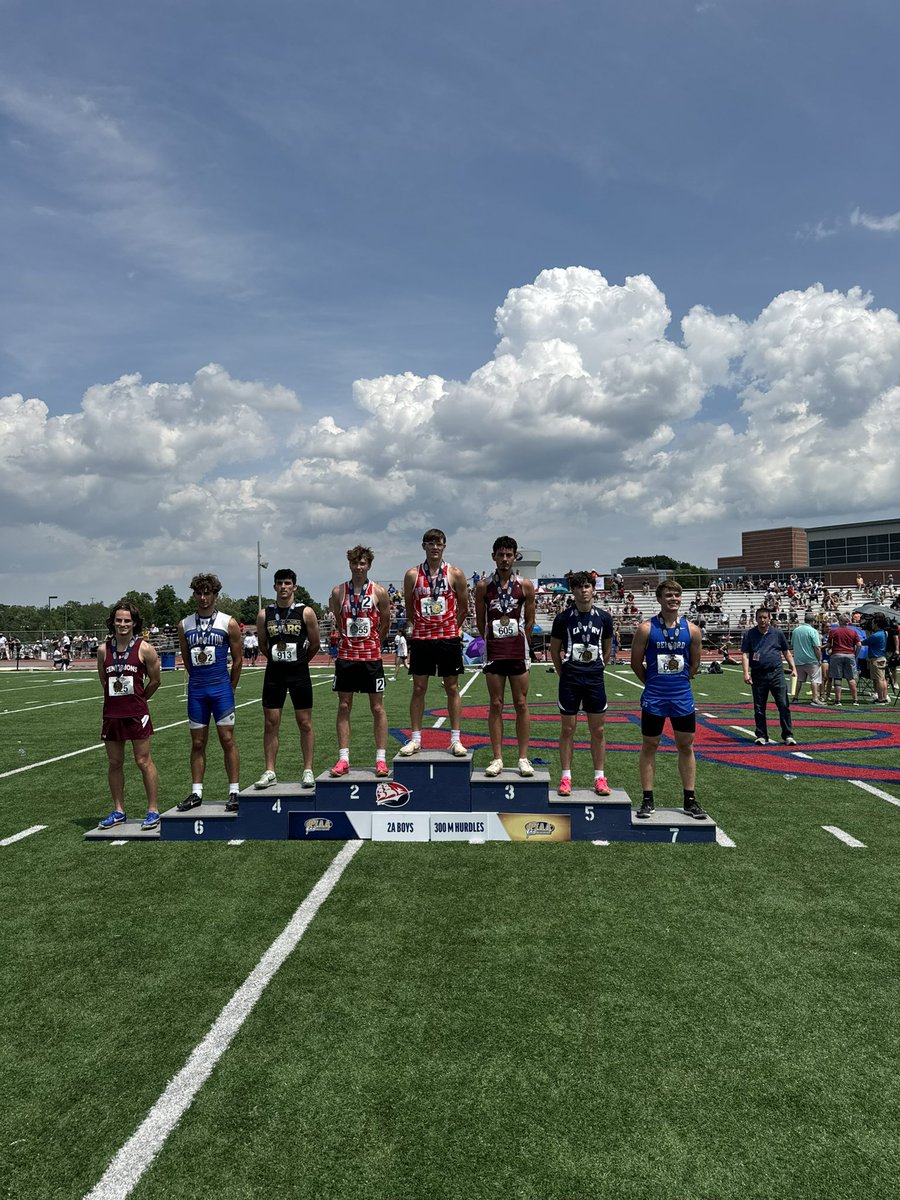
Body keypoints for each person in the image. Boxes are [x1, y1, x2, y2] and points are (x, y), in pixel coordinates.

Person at [630, 581, 706, 819]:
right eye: (669, 595)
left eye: (677, 595)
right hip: (654, 697)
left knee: (686, 746)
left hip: (682, 696)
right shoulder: (646, 628)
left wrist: (682, 679)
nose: (673, 599)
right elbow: (635, 663)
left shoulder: (692, 630)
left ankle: (690, 800)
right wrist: (652, 682)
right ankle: (647, 799)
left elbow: (695, 664)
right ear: (660, 599)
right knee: (650, 746)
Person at [399, 528, 469, 756]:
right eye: (430, 543)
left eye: (438, 543)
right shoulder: (412, 575)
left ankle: (456, 739)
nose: (434, 547)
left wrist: (453, 627)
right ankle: (416, 738)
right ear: (423, 547)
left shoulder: (455, 573)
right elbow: (410, 609)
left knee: (451, 687)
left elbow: (464, 606)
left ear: (444, 546)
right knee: (419, 688)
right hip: (422, 639)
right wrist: (418, 625)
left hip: (448, 639)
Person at [176, 573, 243, 812]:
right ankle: (196, 793)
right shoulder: (184, 624)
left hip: (220, 689)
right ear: (194, 595)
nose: (203, 598)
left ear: (215, 595)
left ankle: (234, 791)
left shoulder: (228, 622)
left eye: (208, 593)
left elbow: (237, 660)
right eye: (199, 593)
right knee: (197, 742)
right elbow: (186, 658)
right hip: (197, 690)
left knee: (227, 739)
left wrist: (230, 687)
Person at [97, 601, 162, 830]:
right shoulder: (103, 650)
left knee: (143, 761)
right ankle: (118, 811)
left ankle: (153, 810)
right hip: (112, 713)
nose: (122, 624)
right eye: (118, 620)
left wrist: (141, 699)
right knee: (115, 762)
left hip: (136, 713)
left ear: (134, 623)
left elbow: (155, 680)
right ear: (112, 622)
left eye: (127, 620)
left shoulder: (145, 648)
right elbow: (104, 680)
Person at [475, 535, 536, 778]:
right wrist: (492, 637)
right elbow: (481, 621)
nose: (504, 559)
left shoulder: (525, 584)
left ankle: (523, 757)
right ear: (493, 557)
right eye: (500, 554)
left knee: (521, 703)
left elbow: (530, 619)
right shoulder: (483, 586)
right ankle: (498, 757)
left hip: (517, 649)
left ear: (515, 557)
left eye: (508, 554)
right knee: (496, 704)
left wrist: (521, 638)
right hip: (494, 651)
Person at [328, 546, 392, 777]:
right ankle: (344, 759)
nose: (358, 567)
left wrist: (375, 643)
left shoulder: (379, 591)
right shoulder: (338, 592)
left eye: (362, 563)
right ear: (349, 565)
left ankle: (381, 759)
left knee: (377, 708)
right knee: (344, 706)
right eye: (355, 563)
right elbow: (337, 618)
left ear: (369, 565)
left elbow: (385, 623)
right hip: (346, 657)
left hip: (371, 658)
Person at [254, 568, 320, 788]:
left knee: (305, 723)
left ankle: (308, 769)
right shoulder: (265, 614)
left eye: (287, 583)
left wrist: (300, 660)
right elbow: (263, 644)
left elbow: (315, 643)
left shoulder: (306, 612)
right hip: (274, 674)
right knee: (271, 723)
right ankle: (270, 770)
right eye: (280, 583)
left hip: (299, 673)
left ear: (294, 586)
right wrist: (277, 659)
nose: (283, 587)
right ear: (274, 586)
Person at [550, 571, 613, 797]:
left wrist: (600, 666)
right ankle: (566, 777)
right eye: (579, 587)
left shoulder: (604, 617)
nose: (583, 590)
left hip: (594, 678)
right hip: (571, 678)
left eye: (587, 586)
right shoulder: (563, 618)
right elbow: (554, 650)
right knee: (568, 729)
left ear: (593, 589)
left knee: (598, 729)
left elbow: (607, 647)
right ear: (573, 591)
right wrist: (563, 673)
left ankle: (599, 777)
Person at [741, 608, 796, 744]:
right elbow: (746, 654)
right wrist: (746, 672)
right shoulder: (750, 634)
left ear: (769, 618)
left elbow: (786, 652)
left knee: (783, 705)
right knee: (759, 707)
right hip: (758, 674)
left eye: (765, 617)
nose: (762, 620)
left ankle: (788, 735)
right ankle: (761, 735)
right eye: (760, 617)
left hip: (776, 673)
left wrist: (793, 668)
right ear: (756, 618)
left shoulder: (777, 633)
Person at [826, 612, 862, 707]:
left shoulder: (833, 632)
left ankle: (838, 700)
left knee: (837, 678)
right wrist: (855, 655)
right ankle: (855, 700)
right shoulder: (853, 632)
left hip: (837, 654)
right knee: (851, 678)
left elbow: (829, 645)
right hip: (850, 654)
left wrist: (829, 649)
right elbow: (859, 645)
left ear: (840, 621)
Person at [790, 612, 825, 706]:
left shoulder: (796, 630)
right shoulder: (813, 631)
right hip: (811, 659)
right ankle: (815, 698)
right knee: (815, 679)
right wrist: (819, 659)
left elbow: (792, 645)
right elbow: (817, 647)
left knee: (799, 680)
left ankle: (795, 697)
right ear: (813, 621)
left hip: (798, 659)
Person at [862, 614, 889, 704]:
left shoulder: (876, 635)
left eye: (873, 623)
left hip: (876, 658)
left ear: (876, 624)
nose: (872, 625)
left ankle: (881, 698)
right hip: (881, 657)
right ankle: (884, 697)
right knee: (882, 679)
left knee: (878, 680)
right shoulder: (883, 633)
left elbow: (864, 642)